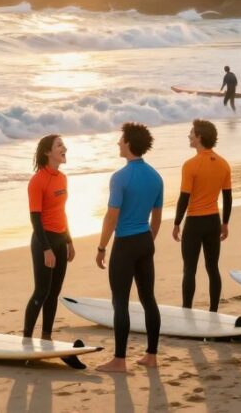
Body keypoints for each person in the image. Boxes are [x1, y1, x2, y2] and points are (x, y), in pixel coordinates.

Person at [96, 123, 163, 374]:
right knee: (148, 299)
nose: (118, 143)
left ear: (129, 143)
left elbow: (111, 217)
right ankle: (151, 356)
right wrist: (147, 241)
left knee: (120, 302)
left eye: (121, 139)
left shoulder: (120, 177)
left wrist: (101, 247)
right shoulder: (156, 176)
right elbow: (157, 218)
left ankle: (119, 360)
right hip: (145, 240)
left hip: (124, 244)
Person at [172, 119, 231, 312]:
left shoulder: (190, 165)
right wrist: (225, 223)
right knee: (213, 268)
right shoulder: (223, 164)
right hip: (213, 221)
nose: (189, 136)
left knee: (189, 269)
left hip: (194, 223)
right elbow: (227, 197)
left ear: (199, 137)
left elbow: (184, 197)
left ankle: (186, 310)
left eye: (192, 133)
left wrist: (176, 223)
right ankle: (213, 310)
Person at [23, 135, 76, 345]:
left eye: (63, 145)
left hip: (61, 240)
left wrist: (69, 241)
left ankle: (46, 336)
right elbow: (35, 218)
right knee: (41, 291)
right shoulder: (37, 181)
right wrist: (46, 249)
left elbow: (62, 211)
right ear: (47, 152)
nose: (65, 148)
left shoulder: (62, 177)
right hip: (43, 240)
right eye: (59, 145)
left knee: (54, 292)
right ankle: (26, 339)